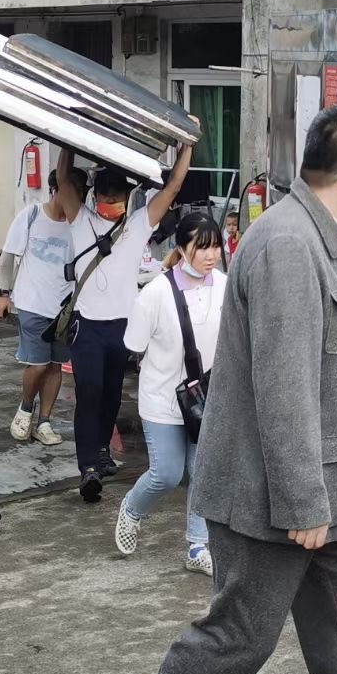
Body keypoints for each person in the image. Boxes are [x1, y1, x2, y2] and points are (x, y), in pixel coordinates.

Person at [99, 106, 337, 674]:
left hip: (327, 489)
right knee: (240, 637)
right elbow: (284, 384)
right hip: (276, 498)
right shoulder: (290, 245)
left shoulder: (321, 239)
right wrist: (302, 501)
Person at [55, 134, 197, 503]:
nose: (110, 205)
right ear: (94, 197)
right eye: (106, 198)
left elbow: (175, 185)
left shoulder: (137, 225)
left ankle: (101, 451)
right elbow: (62, 172)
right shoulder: (79, 218)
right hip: (87, 326)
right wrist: (66, 135)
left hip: (122, 326)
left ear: (127, 199)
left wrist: (187, 146)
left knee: (111, 394)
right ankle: (87, 465)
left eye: (117, 199)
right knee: (88, 394)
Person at [114, 212, 229, 578]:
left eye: (215, 247)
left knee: (202, 472)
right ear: (181, 249)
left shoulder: (226, 287)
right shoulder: (155, 293)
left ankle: (198, 545)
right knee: (166, 473)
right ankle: (132, 509)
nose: (211, 255)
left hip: (206, 399)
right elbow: (133, 344)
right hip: (163, 397)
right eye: (202, 247)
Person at [0, 168, 88, 448]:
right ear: (56, 190)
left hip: (64, 308)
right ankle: (25, 408)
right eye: (73, 192)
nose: (78, 199)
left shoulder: (80, 223)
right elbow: (9, 256)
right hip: (32, 303)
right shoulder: (31, 215)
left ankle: (44, 421)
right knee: (38, 364)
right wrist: (3, 293)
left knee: (55, 366)